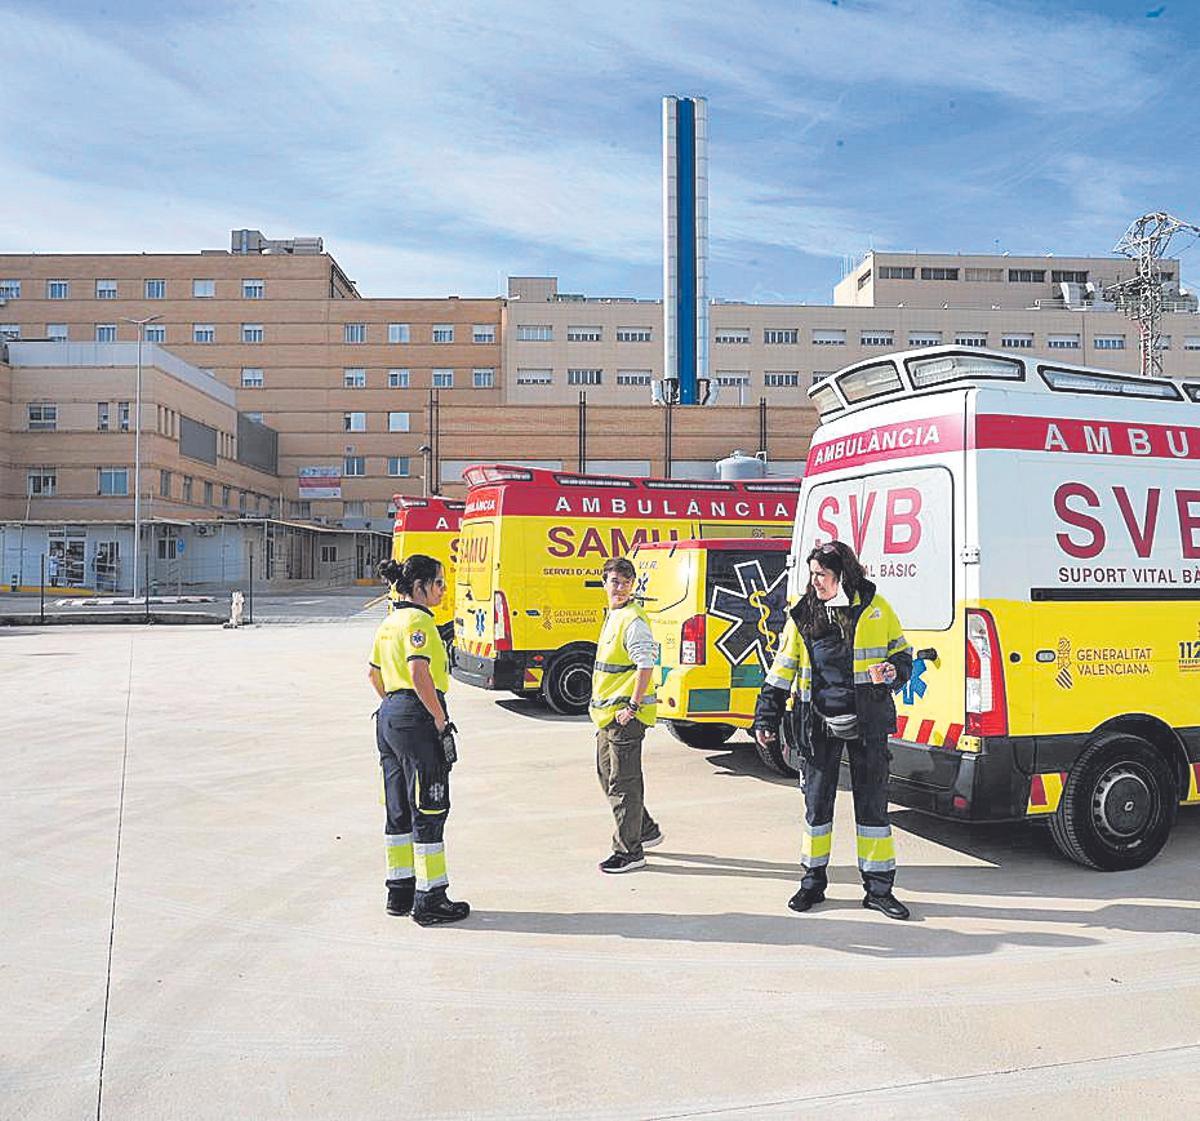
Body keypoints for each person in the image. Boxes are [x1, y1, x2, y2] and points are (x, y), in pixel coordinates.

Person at [754, 540, 914, 920]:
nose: (815, 583)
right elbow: (782, 670)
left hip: (868, 722)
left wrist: (895, 671)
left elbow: (902, 654)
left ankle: (878, 890)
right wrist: (766, 717)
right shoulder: (803, 614)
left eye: (821, 575)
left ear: (842, 575)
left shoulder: (876, 607)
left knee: (873, 806)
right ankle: (812, 882)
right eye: (812, 575)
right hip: (817, 724)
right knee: (817, 807)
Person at [368, 555, 469, 926]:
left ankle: (400, 893)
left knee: (398, 807)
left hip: (390, 716)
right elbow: (418, 671)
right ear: (421, 587)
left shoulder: (389, 621)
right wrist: (439, 719)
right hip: (417, 715)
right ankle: (431, 899)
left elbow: (373, 674)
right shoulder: (418, 622)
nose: (444, 589)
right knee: (430, 805)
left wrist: (395, 708)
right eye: (439, 583)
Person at [590, 556, 663, 873]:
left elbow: (646, 664)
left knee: (624, 783)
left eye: (624, 581)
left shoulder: (632, 619)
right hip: (607, 717)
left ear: (632, 584)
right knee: (607, 776)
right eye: (613, 581)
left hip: (625, 718)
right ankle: (644, 829)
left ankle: (629, 851)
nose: (618, 587)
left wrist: (632, 707)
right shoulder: (614, 615)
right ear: (604, 583)